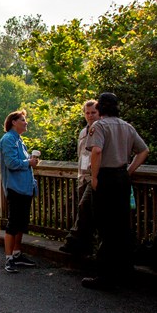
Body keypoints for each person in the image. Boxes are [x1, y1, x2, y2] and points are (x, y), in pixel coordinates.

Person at [82, 92, 149, 290]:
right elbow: (143, 150)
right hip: (122, 178)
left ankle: (105, 276)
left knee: (105, 225)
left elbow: (97, 151)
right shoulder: (127, 126)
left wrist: (94, 177)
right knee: (122, 225)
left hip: (106, 178)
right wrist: (128, 171)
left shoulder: (99, 126)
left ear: (101, 107)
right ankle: (126, 273)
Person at [0, 110, 39, 273]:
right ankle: (9, 259)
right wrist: (28, 162)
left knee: (21, 222)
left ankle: (17, 253)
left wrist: (30, 162)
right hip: (15, 187)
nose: (26, 122)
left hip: (25, 187)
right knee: (14, 222)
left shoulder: (19, 140)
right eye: (23, 119)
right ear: (14, 122)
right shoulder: (8, 139)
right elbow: (11, 163)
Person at [60, 99, 99, 257]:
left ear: (99, 113)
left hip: (95, 176)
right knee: (84, 211)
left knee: (85, 208)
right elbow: (80, 154)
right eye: (87, 113)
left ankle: (73, 241)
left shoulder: (101, 130)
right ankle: (84, 247)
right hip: (82, 176)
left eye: (93, 113)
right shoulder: (83, 132)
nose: (90, 116)